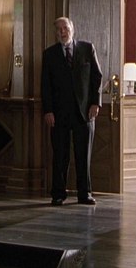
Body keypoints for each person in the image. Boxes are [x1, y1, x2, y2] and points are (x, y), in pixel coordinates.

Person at [41, 17, 103, 206]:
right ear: (55, 32)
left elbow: (97, 77)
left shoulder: (87, 49)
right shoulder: (49, 54)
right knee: (60, 155)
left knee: (83, 155)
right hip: (59, 113)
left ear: (72, 29)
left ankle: (85, 193)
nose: (62, 32)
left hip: (84, 112)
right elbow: (45, 85)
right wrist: (48, 111)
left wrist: (96, 103)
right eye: (59, 29)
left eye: (65, 28)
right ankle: (58, 194)